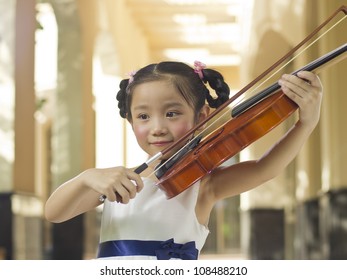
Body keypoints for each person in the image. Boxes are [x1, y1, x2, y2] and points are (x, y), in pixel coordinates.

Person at [45, 61, 323, 259]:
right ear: (130, 121)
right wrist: (85, 177)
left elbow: (264, 169)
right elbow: (54, 213)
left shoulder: (205, 185)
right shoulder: (118, 183)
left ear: (201, 116)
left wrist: (305, 125)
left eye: (172, 113)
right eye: (143, 116)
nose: (157, 127)